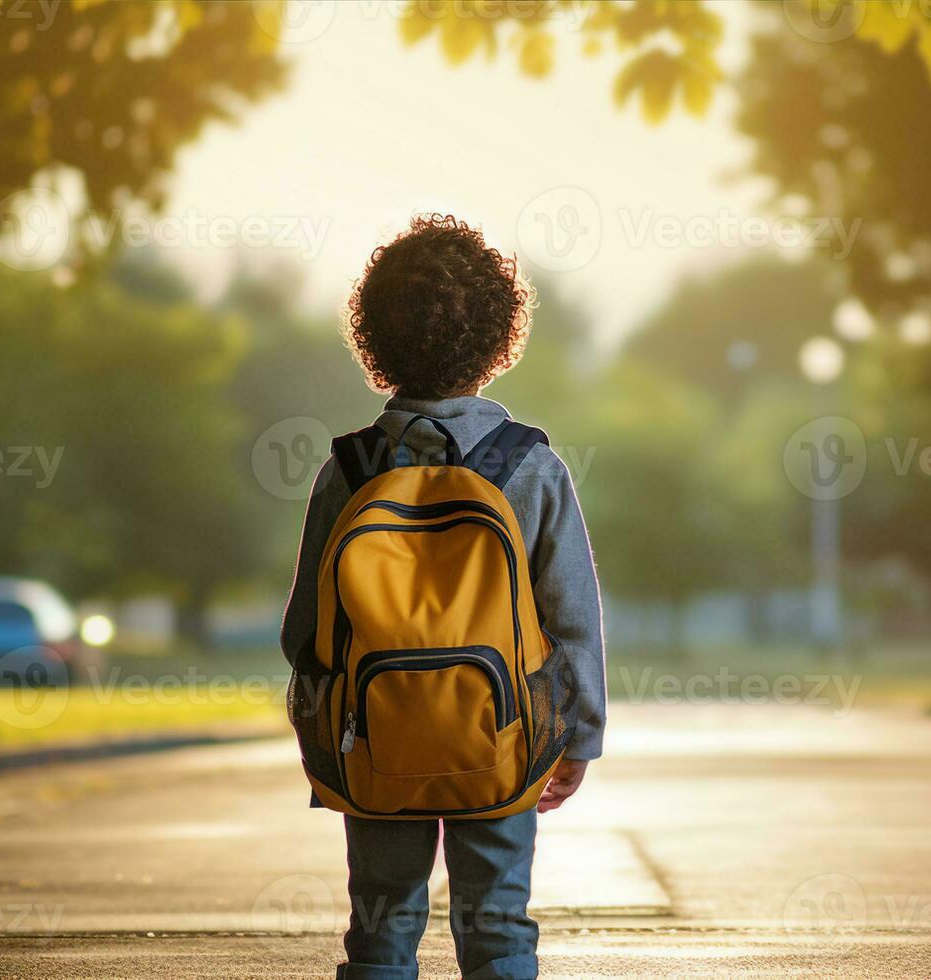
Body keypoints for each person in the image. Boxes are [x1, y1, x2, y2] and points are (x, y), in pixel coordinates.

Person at [280, 213, 606, 980]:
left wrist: (321, 734)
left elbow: (306, 632)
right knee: (496, 920)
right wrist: (578, 736)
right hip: (501, 737)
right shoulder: (530, 468)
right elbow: (573, 618)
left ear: (375, 339)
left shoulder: (348, 471)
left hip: (375, 742)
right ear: (498, 339)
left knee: (382, 919)